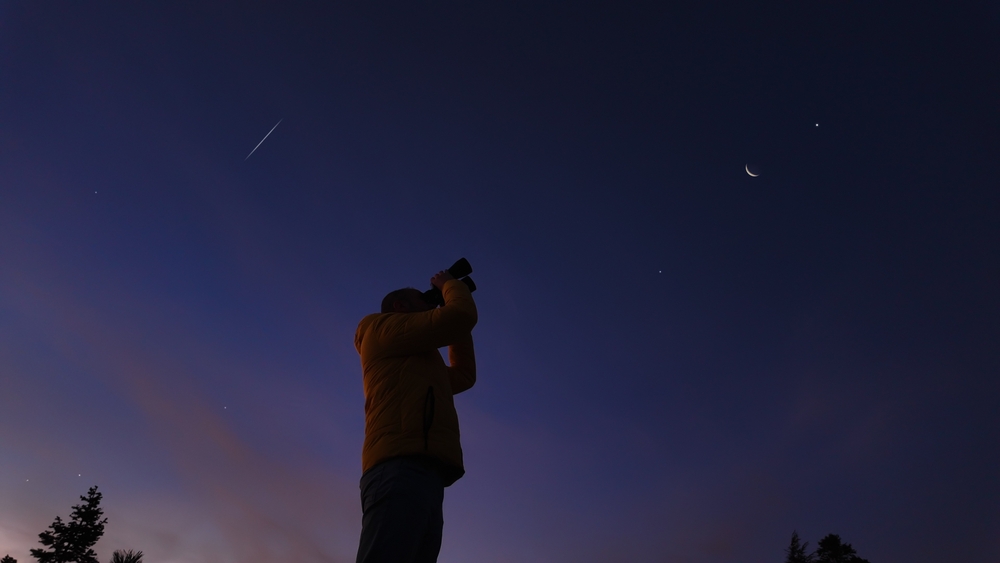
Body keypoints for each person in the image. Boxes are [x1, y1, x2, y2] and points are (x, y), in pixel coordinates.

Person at [353, 269, 478, 563]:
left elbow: (463, 375)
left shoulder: (419, 360)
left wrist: (452, 309)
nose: (431, 304)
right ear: (400, 307)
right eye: (424, 299)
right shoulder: (380, 328)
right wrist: (449, 286)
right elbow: (460, 316)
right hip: (398, 466)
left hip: (425, 472)